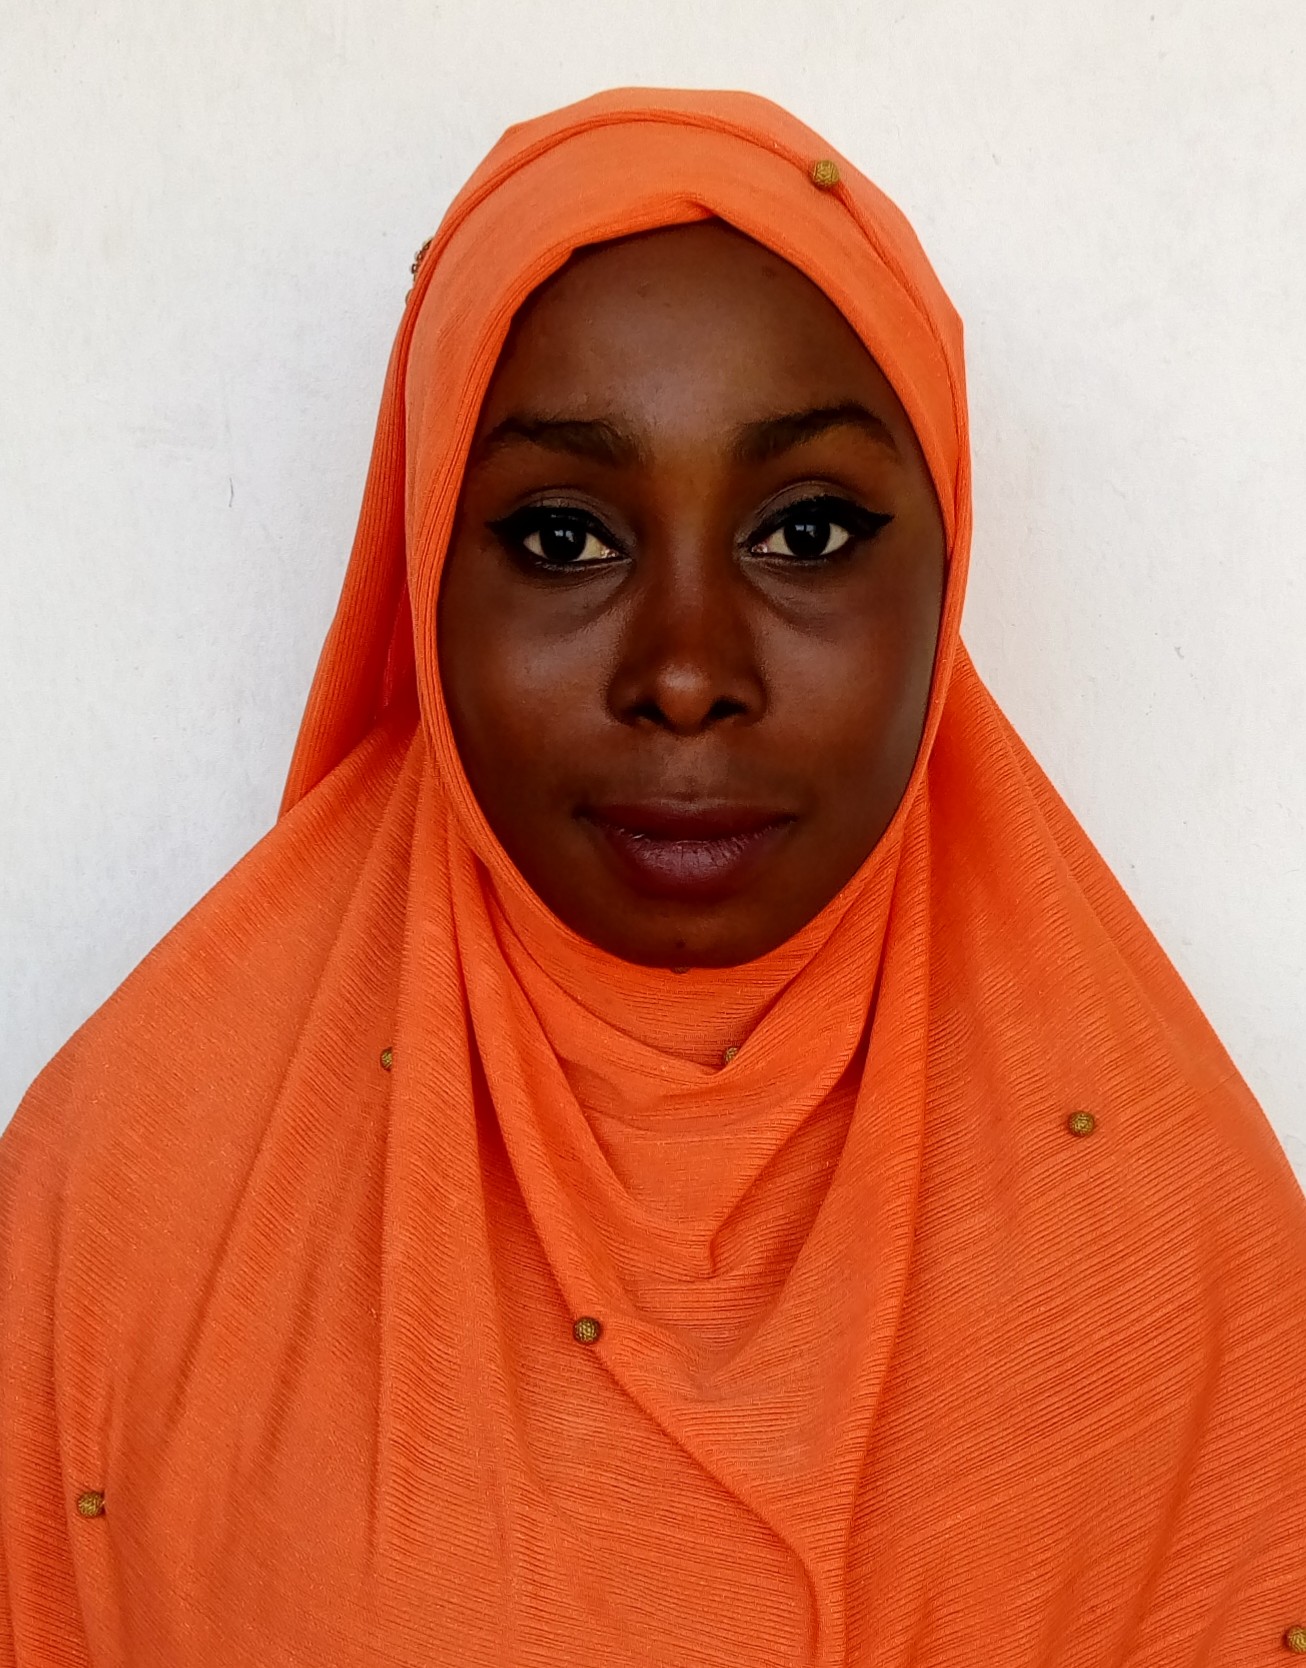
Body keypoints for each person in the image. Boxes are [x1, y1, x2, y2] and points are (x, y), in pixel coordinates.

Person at [2, 87, 1304, 1668]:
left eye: (806, 534)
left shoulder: (1168, 1252)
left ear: (946, 566)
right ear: (422, 573)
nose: (686, 673)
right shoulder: (132, 1213)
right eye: (562, 540)